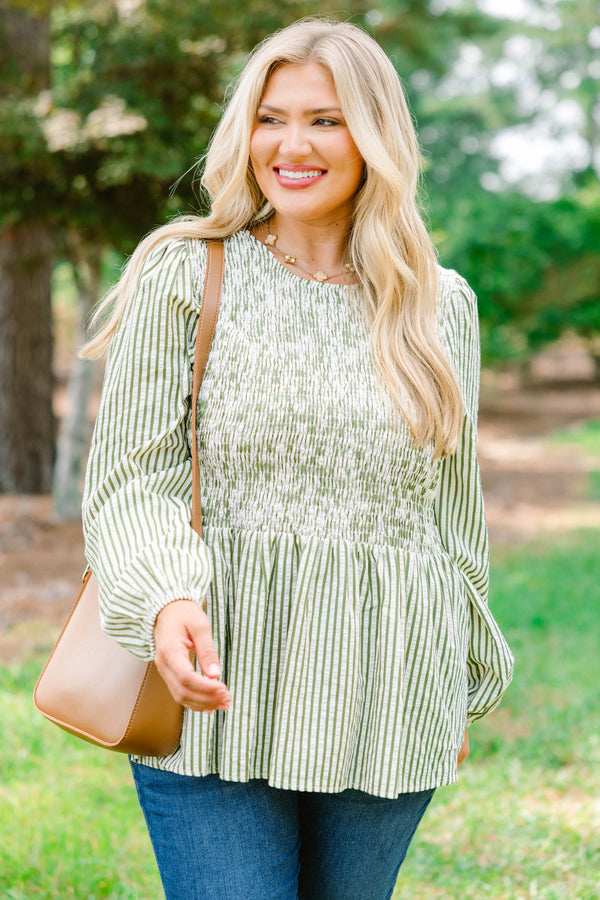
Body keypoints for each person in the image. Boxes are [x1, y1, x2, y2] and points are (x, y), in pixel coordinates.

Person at [81, 17, 514, 900]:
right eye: (271, 118)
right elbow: (132, 480)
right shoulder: (185, 273)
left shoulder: (442, 308)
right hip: (218, 686)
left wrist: (453, 675)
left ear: (375, 136)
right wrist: (167, 599)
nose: (292, 144)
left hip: (387, 693)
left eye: (325, 119)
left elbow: (450, 514)